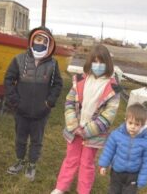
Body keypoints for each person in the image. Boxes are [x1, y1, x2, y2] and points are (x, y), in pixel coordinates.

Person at [51, 45, 121, 194]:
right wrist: (73, 125)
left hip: (93, 133)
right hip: (74, 130)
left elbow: (108, 115)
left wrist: (88, 131)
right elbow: (69, 102)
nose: (98, 65)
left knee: (86, 163)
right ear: (90, 62)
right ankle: (61, 187)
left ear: (107, 63)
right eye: (95, 61)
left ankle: (83, 191)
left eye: (101, 62)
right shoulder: (81, 79)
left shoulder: (113, 87)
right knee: (70, 159)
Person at [4, 27, 63, 181]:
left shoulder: (54, 64)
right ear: (32, 40)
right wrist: (15, 101)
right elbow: (9, 79)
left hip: (41, 113)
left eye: (45, 41)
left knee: (37, 141)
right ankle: (19, 161)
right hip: (21, 111)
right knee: (20, 138)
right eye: (38, 39)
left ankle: (32, 164)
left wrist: (49, 103)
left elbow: (58, 84)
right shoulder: (19, 59)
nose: (41, 43)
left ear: (49, 43)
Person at [98, 103, 147, 194]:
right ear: (125, 121)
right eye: (130, 123)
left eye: (137, 124)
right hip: (116, 172)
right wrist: (103, 165)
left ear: (143, 125)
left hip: (133, 175)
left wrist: (142, 179)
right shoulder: (116, 135)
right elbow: (109, 151)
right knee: (113, 191)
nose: (133, 127)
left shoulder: (146, 142)